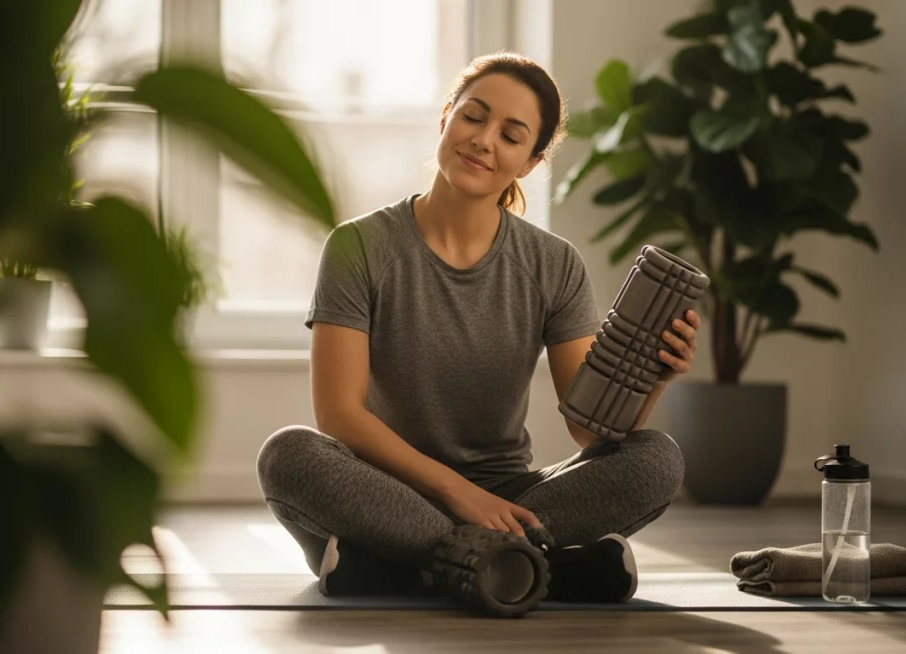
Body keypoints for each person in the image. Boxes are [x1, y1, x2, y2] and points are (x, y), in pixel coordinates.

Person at [256, 52, 700, 605]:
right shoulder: (358, 246)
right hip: (388, 491)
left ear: (531, 162)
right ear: (446, 118)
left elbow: (590, 433)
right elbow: (339, 416)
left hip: (513, 496)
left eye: (511, 135)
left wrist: (652, 379)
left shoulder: (554, 264)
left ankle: (415, 565)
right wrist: (458, 495)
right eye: (474, 116)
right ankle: (535, 565)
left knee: (657, 458)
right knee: (288, 454)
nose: (484, 140)